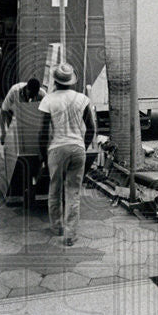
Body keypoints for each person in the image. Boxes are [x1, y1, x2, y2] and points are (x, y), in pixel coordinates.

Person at [38, 63, 95, 246]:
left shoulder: (48, 99)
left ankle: (57, 227)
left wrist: (43, 156)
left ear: (55, 81)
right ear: (71, 82)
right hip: (77, 148)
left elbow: (42, 132)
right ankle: (70, 236)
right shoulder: (82, 99)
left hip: (56, 149)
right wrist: (82, 147)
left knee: (54, 189)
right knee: (73, 192)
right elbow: (91, 128)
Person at [0, 77, 46, 146]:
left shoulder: (42, 94)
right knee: (14, 136)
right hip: (14, 112)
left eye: (34, 95)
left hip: (30, 114)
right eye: (30, 94)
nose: (31, 97)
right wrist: (3, 133)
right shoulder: (14, 90)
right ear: (26, 89)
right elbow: (3, 112)